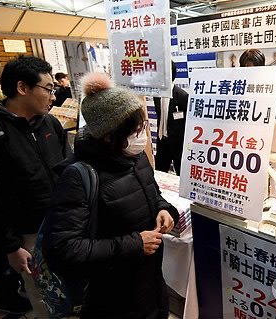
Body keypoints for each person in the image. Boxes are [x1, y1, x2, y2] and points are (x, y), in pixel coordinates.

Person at [42, 72, 179, 318]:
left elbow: (154, 195)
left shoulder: (135, 157)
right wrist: (135, 244)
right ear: (108, 135)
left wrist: (165, 210)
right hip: (112, 296)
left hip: (151, 283)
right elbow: (63, 250)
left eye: (143, 126)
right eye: (133, 129)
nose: (141, 134)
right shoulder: (78, 176)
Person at [0, 55, 71, 317]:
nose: (53, 96)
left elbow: (67, 168)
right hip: (28, 235)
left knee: (74, 290)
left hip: (66, 224)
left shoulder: (50, 123)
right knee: (44, 296)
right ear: (22, 88)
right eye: (48, 89)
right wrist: (11, 246)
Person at [154, 60, 188, 175]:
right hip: (162, 141)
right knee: (159, 172)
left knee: (180, 174)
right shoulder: (157, 95)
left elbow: (187, 123)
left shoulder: (182, 96)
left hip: (178, 143)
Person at [239, 49, 276, 120]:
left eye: (254, 71)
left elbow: (275, 120)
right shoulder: (236, 89)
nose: (250, 74)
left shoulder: (269, 90)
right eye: (246, 70)